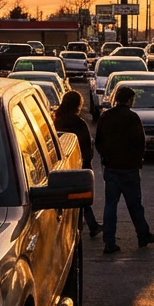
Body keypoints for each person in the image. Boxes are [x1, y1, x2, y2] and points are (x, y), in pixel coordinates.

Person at [93, 85, 154, 254]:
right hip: (129, 169)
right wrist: (138, 160)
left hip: (111, 168)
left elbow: (98, 141)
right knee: (135, 205)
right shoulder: (132, 118)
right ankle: (143, 236)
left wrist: (106, 157)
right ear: (129, 100)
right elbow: (140, 142)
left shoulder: (106, 117)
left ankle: (109, 241)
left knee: (110, 206)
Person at [53, 90, 102, 238]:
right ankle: (90, 225)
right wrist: (87, 163)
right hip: (79, 164)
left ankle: (88, 225)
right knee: (81, 197)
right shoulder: (79, 123)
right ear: (78, 105)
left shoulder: (56, 120)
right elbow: (87, 145)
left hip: (60, 165)